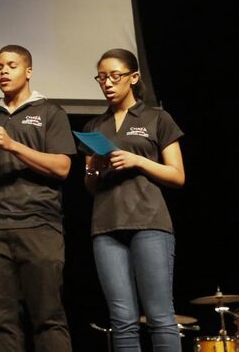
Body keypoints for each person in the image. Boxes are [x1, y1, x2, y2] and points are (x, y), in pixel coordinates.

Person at [0, 44, 74, 352]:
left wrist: (13, 145)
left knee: (48, 317)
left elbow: (63, 167)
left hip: (39, 224)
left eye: (11, 66)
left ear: (28, 71)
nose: (3, 72)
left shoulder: (49, 112)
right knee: (1, 321)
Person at [84, 48, 185, 351]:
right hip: (106, 227)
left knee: (159, 316)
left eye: (115, 76)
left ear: (134, 77)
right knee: (123, 321)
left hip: (149, 223)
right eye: (102, 78)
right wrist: (95, 170)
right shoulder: (93, 127)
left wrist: (137, 161)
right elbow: (89, 186)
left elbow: (177, 176)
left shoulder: (156, 117)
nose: (108, 83)